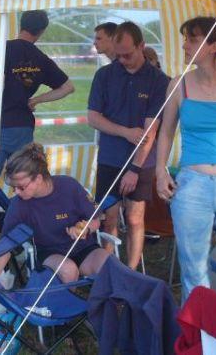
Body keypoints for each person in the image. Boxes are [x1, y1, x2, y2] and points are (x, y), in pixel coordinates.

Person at [155, 16, 216, 303]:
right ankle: (196, 338)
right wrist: (160, 171)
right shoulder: (178, 85)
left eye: (192, 39)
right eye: (185, 38)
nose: (185, 45)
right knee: (193, 269)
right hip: (191, 186)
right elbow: (165, 133)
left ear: (214, 46)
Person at [0, 10, 74, 217]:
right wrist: (35, 99)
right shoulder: (40, 58)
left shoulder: (4, 48)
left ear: (21, 24)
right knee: (24, 182)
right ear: (42, 31)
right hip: (24, 128)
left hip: (1, 124)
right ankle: (20, 224)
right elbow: (67, 87)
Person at [88, 21, 169, 270]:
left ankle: (131, 273)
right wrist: (125, 132)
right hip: (110, 157)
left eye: (128, 54)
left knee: (135, 218)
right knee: (108, 216)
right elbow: (93, 118)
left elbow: (150, 131)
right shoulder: (104, 75)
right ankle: (109, 269)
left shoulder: (158, 80)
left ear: (141, 46)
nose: (122, 60)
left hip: (142, 161)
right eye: (119, 55)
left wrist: (134, 168)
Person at [0, 143, 109, 283]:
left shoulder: (69, 186)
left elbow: (96, 220)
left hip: (84, 249)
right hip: (49, 253)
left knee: (109, 266)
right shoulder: (18, 204)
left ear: (38, 179)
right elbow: (6, 245)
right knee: (68, 270)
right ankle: (65, 304)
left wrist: (85, 228)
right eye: (13, 187)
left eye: (21, 187)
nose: (16, 192)